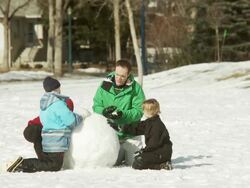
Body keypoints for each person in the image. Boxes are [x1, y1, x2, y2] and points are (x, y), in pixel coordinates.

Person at [7, 76, 83, 173]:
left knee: (47, 163)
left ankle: (21, 165)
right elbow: (70, 121)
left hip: (47, 140)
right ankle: (23, 164)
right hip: (56, 141)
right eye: (59, 87)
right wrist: (80, 117)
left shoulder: (45, 105)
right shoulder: (58, 104)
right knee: (54, 166)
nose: (60, 90)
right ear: (56, 89)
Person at [92, 59, 145, 165]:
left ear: (128, 75)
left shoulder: (135, 88)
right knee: (112, 162)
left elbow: (139, 111)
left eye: (122, 76)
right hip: (112, 135)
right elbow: (96, 105)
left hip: (130, 134)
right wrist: (104, 112)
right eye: (117, 74)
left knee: (135, 163)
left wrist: (123, 115)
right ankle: (120, 154)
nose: (119, 79)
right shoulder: (105, 85)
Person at [112, 99, 173, 170]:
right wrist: (121, 127)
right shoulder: (149, 122)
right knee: (137, 161)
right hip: (155, 152)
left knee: (139, 162)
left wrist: (143, 151)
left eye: (144, 109)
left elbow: (154, 143)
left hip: (161, 153)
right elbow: (137, 128)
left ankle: (162, 165)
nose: (143, 111)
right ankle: (161, 164)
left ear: (149, 111)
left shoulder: (157, 126)